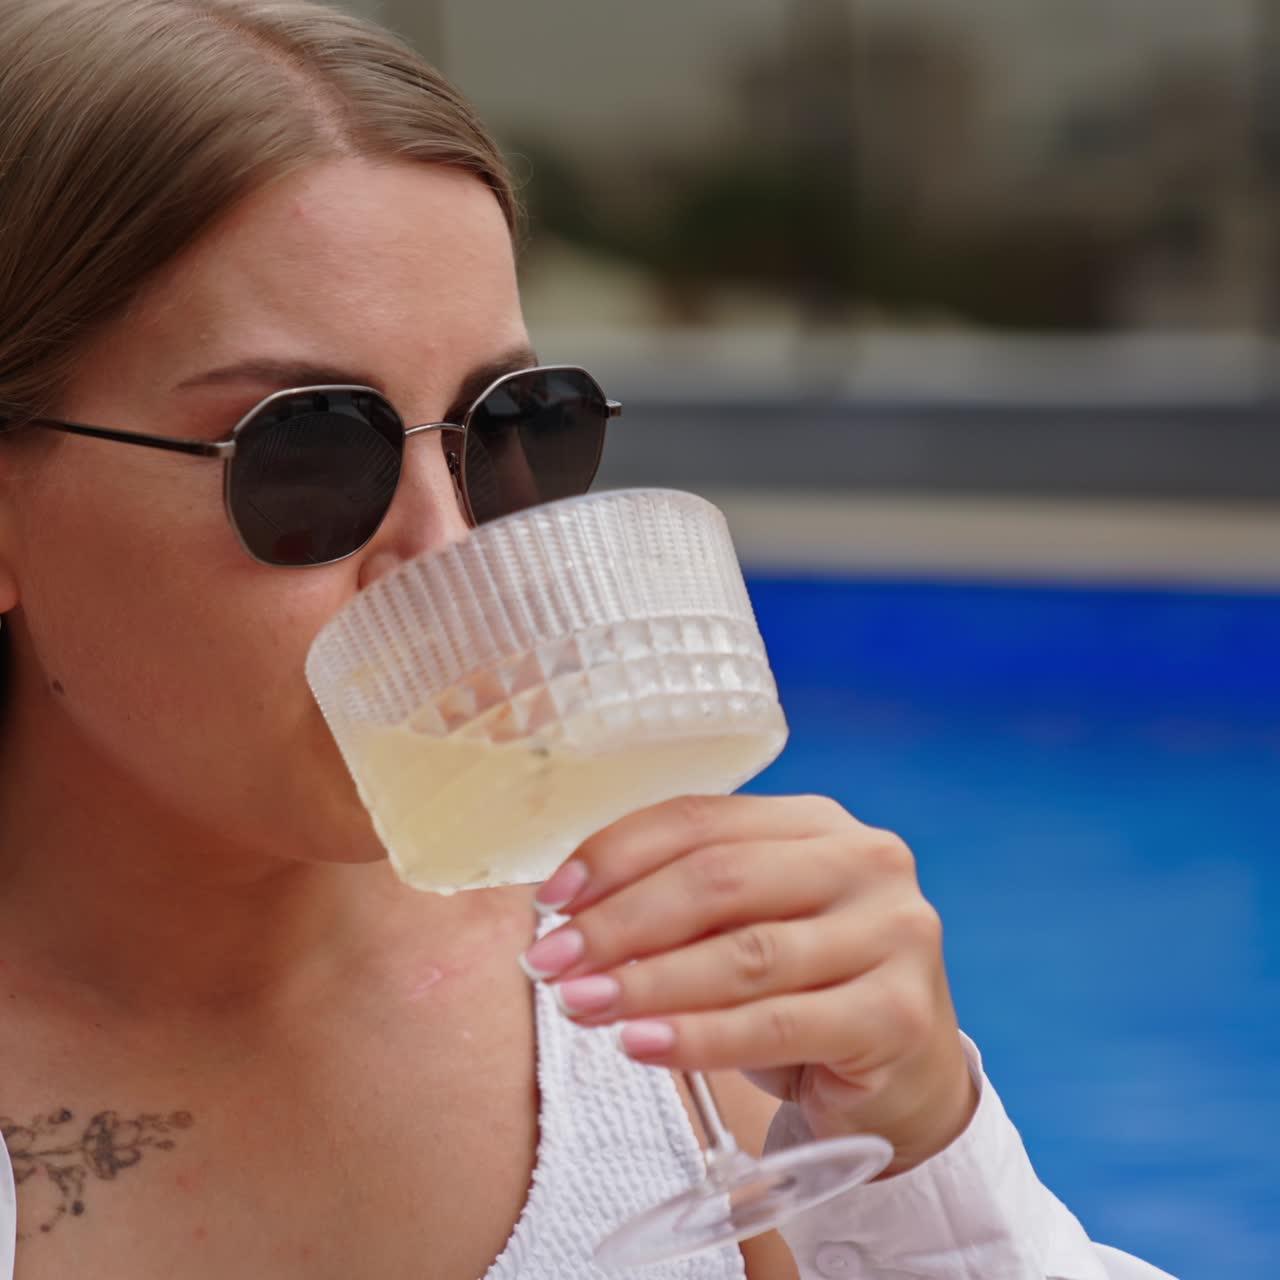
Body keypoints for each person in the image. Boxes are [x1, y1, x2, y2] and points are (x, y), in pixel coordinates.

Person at [0, 2, 1176, 1277]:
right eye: (306, 449)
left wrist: (923, 1152)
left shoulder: (668, 1009)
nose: (451, 553)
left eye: (508, 429)